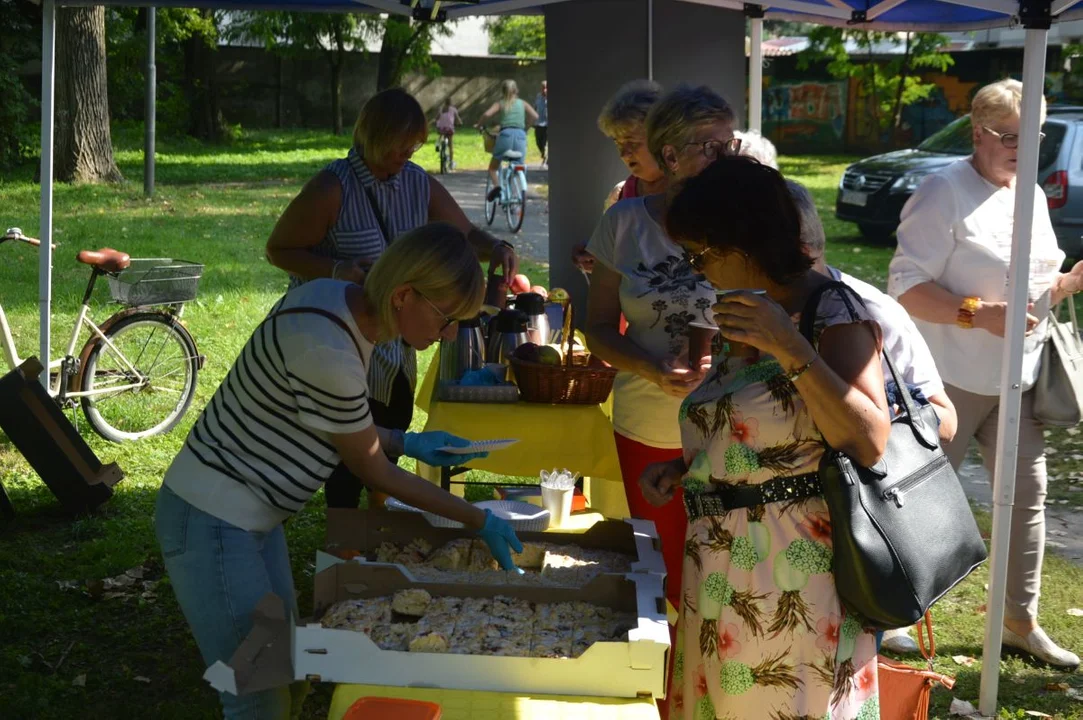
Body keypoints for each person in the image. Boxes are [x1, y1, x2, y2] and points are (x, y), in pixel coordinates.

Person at [156, 224, 525, 719]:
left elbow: (336, 421)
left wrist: (406, 440)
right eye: (446, 319)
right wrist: (477, 520)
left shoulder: (340, 302)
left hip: (250, 517)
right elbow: (375, 472)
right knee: (256, 694)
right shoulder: (328, 346)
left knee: (284, 669)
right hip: (213, 519)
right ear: (403, 296)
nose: (450, 334)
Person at [643, 155, 890, 719]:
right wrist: (688, 469)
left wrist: (792, 348)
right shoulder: (747, 311)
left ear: (746, 239)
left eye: (705, 253)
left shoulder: (830, 311)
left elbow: (869, 440)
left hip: (792, 574)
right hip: (721, 566)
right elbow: (768, 430)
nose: (699, 269)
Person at [888, 78, 1082, 670]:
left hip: (1017, 379)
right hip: (945, 379)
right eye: (1008, 136)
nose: (1023, 148)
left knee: (1027, 498)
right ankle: (895, 613)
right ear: (977, 131)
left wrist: (1068, 284)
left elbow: (1032, 280)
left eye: (1034, 135)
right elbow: (904, 287)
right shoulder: (942, 190)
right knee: (921, 499)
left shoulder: (1027, 191)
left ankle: (1018, 622)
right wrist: (976, 314)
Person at [264, 87, 518, 512]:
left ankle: (378, 516)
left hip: (397, 344)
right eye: (402, 143)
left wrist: (497, 247)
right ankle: (343, 533)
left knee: (394, 426)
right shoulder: (333, 186)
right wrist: (336, 270)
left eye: (414, 144)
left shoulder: (417, 182)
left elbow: (466, 233)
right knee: (347, 456)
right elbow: (279, 249)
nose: (409, 151)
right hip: (346, 340)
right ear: (375, 135)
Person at [584, 85, 738, 617]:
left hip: (740, 428)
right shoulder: (621, 223)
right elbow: (597, 328)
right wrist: (651, 367)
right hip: (649, 424)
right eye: (710, 147)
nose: (725, 158)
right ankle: (673, 689)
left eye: (729, 145)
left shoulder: (753, 220)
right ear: (671, 155)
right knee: (669, 577)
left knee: (734, 577)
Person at [788, 177, 958, 656]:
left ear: (798, 246)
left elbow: (944, 420)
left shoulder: (869, 310)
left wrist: (868, 416)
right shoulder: (749, 311)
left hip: (860, 532)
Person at [573, 79, 665, 275]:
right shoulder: (624, 193)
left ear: (662, 138)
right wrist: (597, 253)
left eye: (632, 142)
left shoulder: (690, 193)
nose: (624, 154)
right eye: (618, 143)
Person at [478, 80, 539, 201]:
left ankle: (497, 187)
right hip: (521, 137)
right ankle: (515, 197)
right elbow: (535, 116)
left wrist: (479, 124)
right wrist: (526, 127)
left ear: (503, 91)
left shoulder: (501, 103)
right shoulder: (523, 103)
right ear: (516, 90)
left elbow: (486, 114)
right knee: (518, 167)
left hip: (505, 136)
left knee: (493, 168)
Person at [434, 98, 462, 170]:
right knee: (450, 145)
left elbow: (437, 118)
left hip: (441, 128)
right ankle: (451, 162)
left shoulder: (441, 109)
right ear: (451, 102)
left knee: (440, 135)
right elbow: (458, 119)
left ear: (444, 102)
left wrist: (437, 121)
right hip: (449, 129)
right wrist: (460, 123)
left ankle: (437, 144)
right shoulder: (453, 109)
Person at [534, 80, 549, 165]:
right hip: (538, 124)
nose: (544, 90)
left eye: (546, 88)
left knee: (545, 143)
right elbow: (535, 108)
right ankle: (545, 156)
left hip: (548, 125)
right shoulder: (538, 96)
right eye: (543, 88)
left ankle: (546, 158)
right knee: (538, 142)